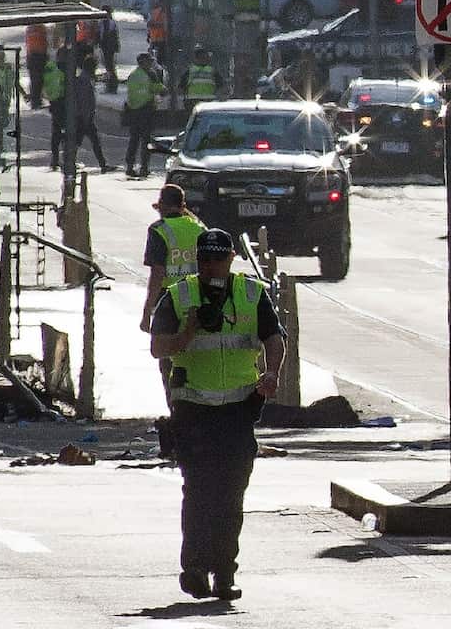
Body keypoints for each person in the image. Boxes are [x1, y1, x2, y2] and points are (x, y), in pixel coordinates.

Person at [150, 228, 286, 601]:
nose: (212, 267)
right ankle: (194, 569)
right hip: (193, 411)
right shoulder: (179, 296)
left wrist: (271, 374)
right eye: (206, 260)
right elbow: (158, 348)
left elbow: (274, 339)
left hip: (238, 411)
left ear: (230, 259)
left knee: (231, 495)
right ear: (199, 261)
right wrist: (187, 333)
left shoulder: (250, 293)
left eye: (219, 259)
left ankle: (224, 573)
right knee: (198, 492)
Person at [140, 184, 207, 403]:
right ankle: (197, 405)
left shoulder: (159, 230)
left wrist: (147, 312)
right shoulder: (199, 228)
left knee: (167, 358)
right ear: (182, 206)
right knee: (197, 357)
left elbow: (157, 274)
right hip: (198, 301)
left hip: (169, 304)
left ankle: (176, 406)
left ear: (161, 207)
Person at [126, 53, 165, 177]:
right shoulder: (150, 74)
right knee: (146, 140)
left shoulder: (133, 75)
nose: (150, 64)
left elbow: (131, 93)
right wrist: (161, 87)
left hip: (134, 111)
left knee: (134, 140)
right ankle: (144, 167)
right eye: (149, 61)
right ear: (143, 62)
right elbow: (158, 89)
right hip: (146, 110)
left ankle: (130, 166)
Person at [74, 54, 111, 172]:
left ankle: (103, 164)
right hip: (84, 117)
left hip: (84, 116)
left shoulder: (84, 78)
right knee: (81, 141)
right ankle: (102, 164)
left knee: (90, 141)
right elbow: (84, 100)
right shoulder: (84, 80)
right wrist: (86, 117)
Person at [179, 45, 224, 109]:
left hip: (193, 101)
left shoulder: (189, 71)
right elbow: (221, 86)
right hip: (209, 101)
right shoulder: (212, 71)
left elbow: (181, 87)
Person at [43, 52, 67, 170]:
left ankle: (56, 159)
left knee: (57, 132)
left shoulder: (51, 68)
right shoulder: (60, 69)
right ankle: (59, 159)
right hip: (60, 103)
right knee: (61, 133)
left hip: (57, 102)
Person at [26, 24, 49, 108]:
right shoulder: (41, 28)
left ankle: (35, 99)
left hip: (33, 56)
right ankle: (36, 100)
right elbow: (45, 42)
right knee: (38, 79)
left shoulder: (30, 28)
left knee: (35, 79)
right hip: (39, 56)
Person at [98, 6, 120, 94]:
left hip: (109, 48)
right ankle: (110, 85)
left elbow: (113, 36)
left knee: (109, 67)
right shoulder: (103, 23)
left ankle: (111, 86)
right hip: (105, 47)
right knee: (109, 67)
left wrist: (115, 47)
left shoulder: (110, 23)